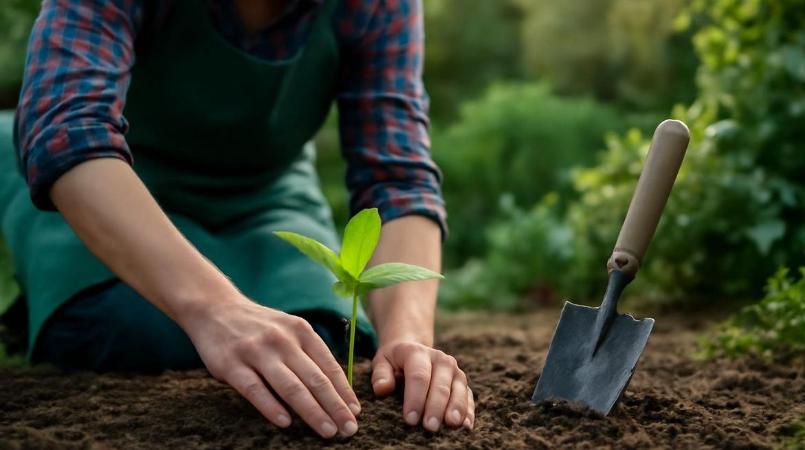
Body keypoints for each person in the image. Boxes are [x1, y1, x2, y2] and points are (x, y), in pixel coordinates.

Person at [0, 0, 474, 439]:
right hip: (117, 177)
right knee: (123, 329)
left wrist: (407, 338)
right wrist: (214, 310)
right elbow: (69, 131)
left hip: (263, 190)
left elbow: (397, 179)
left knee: (322, 337)